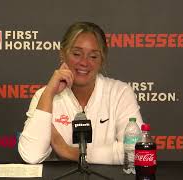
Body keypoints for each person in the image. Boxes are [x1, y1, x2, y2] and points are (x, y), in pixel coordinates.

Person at [18, 22, 143, 165]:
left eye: (93, 56)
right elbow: (31, 155)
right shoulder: (44, 96)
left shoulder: (120, 93)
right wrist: (49, 93)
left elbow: (136, 152)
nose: (84, 62)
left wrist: (68, 151)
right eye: (77, 54)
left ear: (102, 60)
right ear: (63, 54)